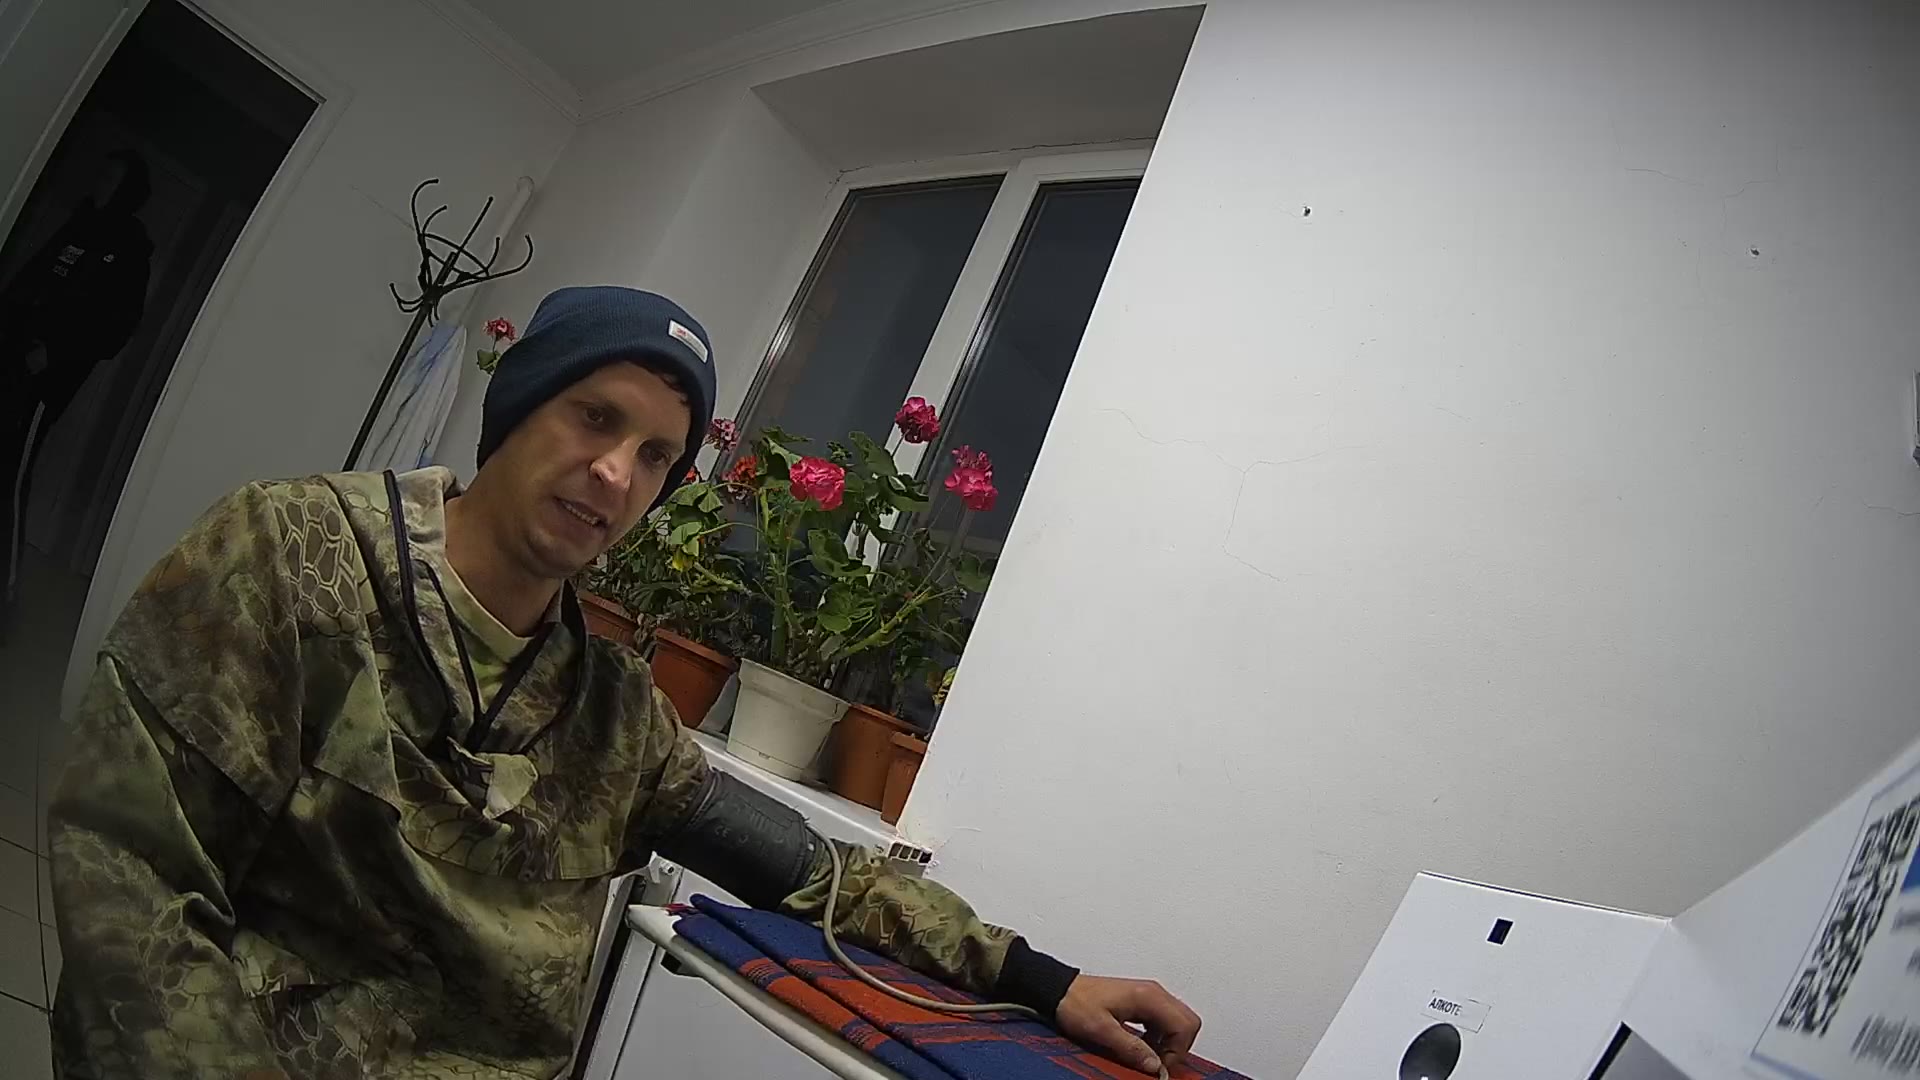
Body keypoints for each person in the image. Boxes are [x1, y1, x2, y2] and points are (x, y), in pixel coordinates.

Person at [47, 286, 1202, 1079]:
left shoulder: (610, 717)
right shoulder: (293, 558)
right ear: (516, 412)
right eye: (594, 417)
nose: (615, 472)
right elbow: (130, 874)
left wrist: (1046, 980)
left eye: (655, 455)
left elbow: (824, 879)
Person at [0, 150, 153, 616]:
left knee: (11, 474)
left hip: (46, 378)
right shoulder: (78, 225)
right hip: (11, 354)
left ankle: (5, 598)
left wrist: (55, 351)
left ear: (126, 189)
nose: (101, 179)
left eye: (112, 175)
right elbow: (30, 280)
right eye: (103, 172)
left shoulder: (129, 248)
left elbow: (115, 328)